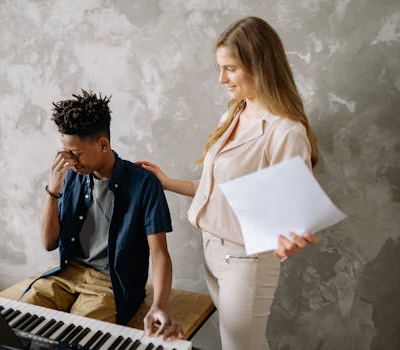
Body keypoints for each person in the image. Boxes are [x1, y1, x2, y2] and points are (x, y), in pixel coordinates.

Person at [136, 16, 319, 350]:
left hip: (245, 263)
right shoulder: (233, 114)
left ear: (260, 66)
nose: (221, 79)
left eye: (230, 68)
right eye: (220, 68)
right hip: (212, 253)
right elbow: (217, 191)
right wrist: (166, 182)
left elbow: (295, 216)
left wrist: (288, 237)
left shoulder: (286, 131)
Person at [20, 90, 182, 339]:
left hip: (109, 284)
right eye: (65, 151)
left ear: (103, 145)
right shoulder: (72, 176)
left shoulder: (143, 184)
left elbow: (160, 253)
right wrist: (53, 191)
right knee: (20, 320)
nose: (69, 160)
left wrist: (159, 305)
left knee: (78, 338)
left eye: (76, 153)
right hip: (66, 274)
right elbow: (48, 243)